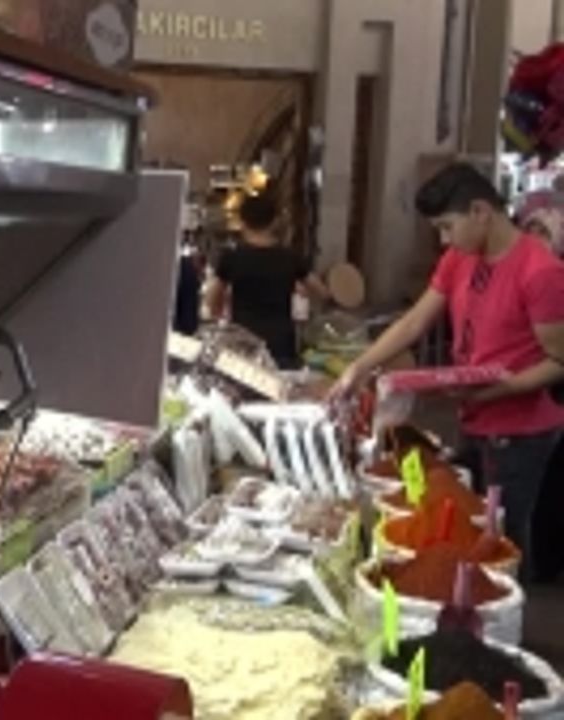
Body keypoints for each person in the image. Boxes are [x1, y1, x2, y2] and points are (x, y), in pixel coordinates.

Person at [329, 162, 564, 580]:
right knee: (466, 525)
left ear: (480, 212)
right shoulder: (459, 259)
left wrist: (501, 389)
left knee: (502, 540)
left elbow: (558, 362)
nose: (443, 239)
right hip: (474, 414)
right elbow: (413, 323)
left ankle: (508, 610)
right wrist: (359, 368)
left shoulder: (540, 271)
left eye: (446, 226)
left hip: (520, 431)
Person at [205, 193, 326, 369]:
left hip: (243, 340)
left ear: (243, 222)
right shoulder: (290, 258)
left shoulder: (232, 258)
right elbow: (321, 292)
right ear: (274, 221)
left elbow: (212, 300)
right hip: (281, 343)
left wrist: (220, 314)